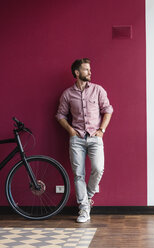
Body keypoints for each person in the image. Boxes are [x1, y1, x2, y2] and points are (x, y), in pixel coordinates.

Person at [56, 58, 113, 223]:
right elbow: (60, 115)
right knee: (78, 175)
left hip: (95, 137)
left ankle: (87, 197)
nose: (90, 72)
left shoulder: (98, 90)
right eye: (86, 69)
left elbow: (108, 110)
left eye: (89, 69)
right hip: (77, 139)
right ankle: (83, 210)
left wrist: (101, 130)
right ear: (77, 72)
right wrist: (71, 131)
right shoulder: (67, 94)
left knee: (98, 169)